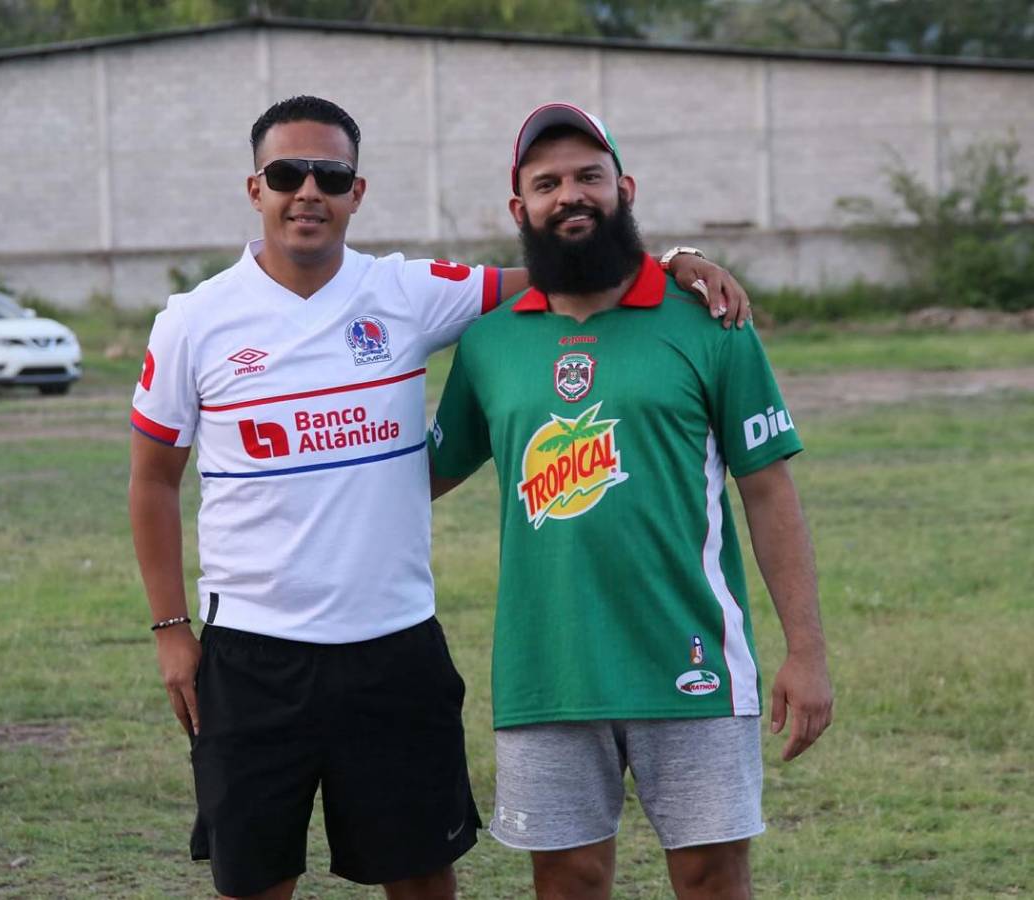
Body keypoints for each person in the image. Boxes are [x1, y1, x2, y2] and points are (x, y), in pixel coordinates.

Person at [128, 95, 750, 900]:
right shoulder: (193, 321)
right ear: (257, 189)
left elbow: (568, 264)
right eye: (288, 173)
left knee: (422, 879)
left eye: (331, 175)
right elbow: (151, 480)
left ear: (359, 192)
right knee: (254, 881)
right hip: (252, 654)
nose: (308, 191)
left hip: (394, 649)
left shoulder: (411, 291)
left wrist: (673, 262)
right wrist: (172, 629)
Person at [427, 102, 834, 900]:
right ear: (520, 208)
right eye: (547, 183)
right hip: (546, 668)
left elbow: (769, 492)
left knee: (712, 876)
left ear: (625, 188)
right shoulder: (491, 340)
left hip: (692, 661)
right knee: (570, 880)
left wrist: (808, 653)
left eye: (589, 176)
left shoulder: (712, 320)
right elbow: (422, 480)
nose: (569, 195)